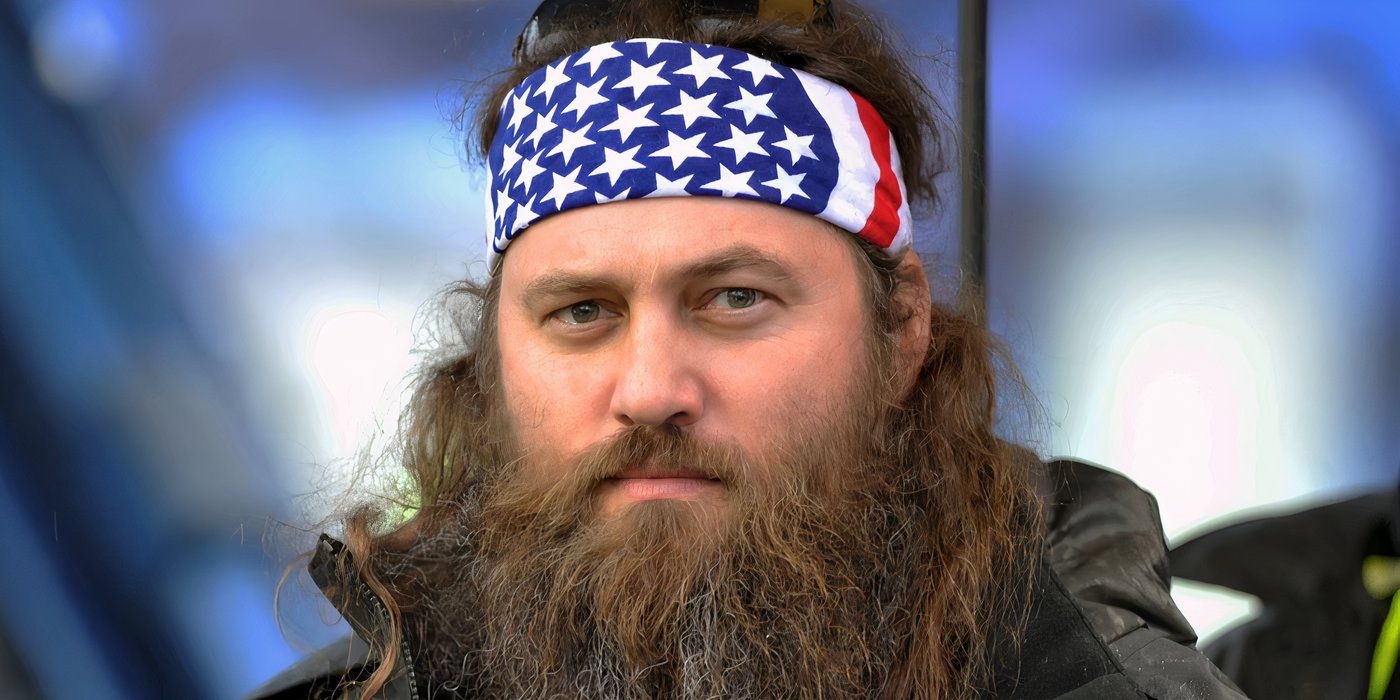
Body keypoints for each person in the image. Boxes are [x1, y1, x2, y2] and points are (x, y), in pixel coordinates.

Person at [255, 1, 1243, 697]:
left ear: (900, 327)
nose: (649, 389)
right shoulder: (376, 687)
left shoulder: (1089, 676)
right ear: (494, 358)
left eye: (733, 298)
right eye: (582, 312)